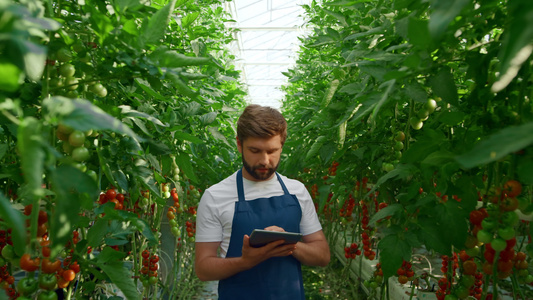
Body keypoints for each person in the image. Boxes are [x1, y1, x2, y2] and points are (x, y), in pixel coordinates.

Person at [194, 104, 330, 300]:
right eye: (255, 150)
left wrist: (289, 244)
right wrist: (244, 262)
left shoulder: (297, 190)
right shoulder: (215, 196)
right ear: (239, 145)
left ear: (282, 146)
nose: (265, 160)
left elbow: (323, 255)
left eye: (272, 151)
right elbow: (203, 268)